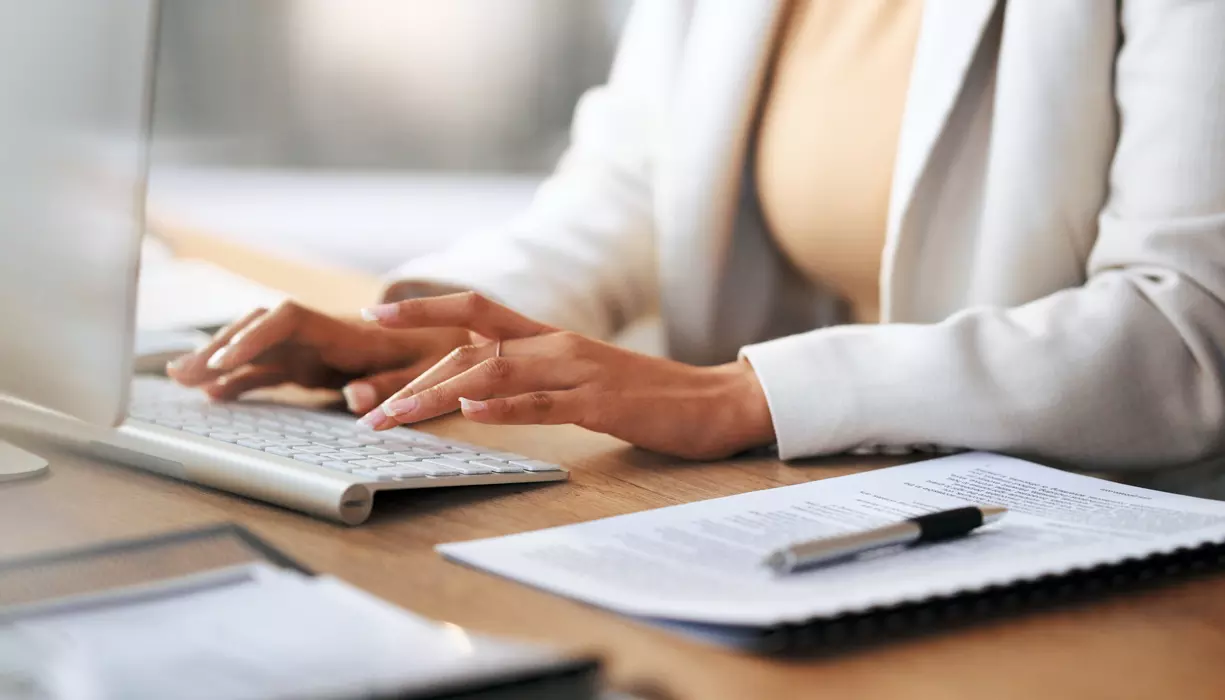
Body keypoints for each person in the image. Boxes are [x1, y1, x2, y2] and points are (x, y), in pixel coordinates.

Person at [169, 1, 1225, 469]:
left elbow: (1185, 329)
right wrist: (432, 323)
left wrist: (739, 395)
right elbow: (632, 183)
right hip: (824, 499)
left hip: (1113, 549)